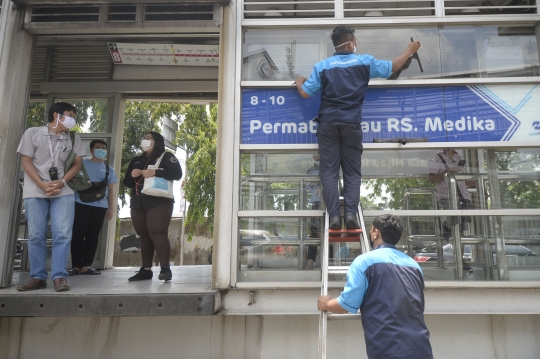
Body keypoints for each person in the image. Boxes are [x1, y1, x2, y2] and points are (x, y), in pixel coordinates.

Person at [295, 26, 421, 230]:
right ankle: (351, 215)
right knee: (352, 173)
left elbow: (306, 94)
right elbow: (393, 67)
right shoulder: (364, 61)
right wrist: (409, 50)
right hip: (351, 124)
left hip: (327, 124)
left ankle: (335, 217)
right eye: (356, 40)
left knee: (329, 173)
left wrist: (300, 82)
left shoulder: (323, 66)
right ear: (350, 43)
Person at [317, 214, 433, 359]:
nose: (370, 233)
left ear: (376, 233)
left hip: (388, 350)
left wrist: (326, 304)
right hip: (421, 348)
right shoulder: (414, 266)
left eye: (371, 230)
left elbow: (347, 304)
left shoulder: (364, 262)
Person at [16, 102, 85, 292]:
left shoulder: (72, 137)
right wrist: (42, 184)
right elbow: (26, 161)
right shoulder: (33, 133)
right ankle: (38, 277)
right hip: (35, 190)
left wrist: (62, 182)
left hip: (63, 190)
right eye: (69, 115)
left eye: (74, 116)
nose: (73, 119)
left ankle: (59, 276)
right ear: (56, 115)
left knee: (62, 233)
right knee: (36, 234)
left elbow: (77, 164)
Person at [123, 131, 182, 282]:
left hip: (159, 201)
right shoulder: (137, 160)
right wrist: (132, 175)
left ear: (157, 141)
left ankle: (165, 269)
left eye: (149, 138)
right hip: (138, 201)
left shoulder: (166, 156)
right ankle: (146, 270)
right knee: (144, 235)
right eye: (144, 138)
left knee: (158, 232)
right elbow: (127, 183)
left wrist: (155, 172)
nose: (145, 140)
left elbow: (177, 173)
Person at [69, 140, 118, 276]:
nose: (101, 150)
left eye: (103, 148)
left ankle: (86, 266)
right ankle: (76, 266)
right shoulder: (81, 164)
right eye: (97, 148)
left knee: (93, 236)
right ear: (91, 150)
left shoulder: (109, 170)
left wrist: (111, 208)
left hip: (100, 207)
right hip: (80, 204)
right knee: (78, 235)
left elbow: (112, 190)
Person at [428, 148, 475, 271]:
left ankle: (460, 260)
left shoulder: (459, 158)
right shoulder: (436, 157)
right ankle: (447, 226)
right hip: (447, 196)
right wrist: (447, 172)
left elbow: (464, 180)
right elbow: (432, 178)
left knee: (462, 230)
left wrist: (480, 184)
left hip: (462, 197)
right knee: (456, 226)